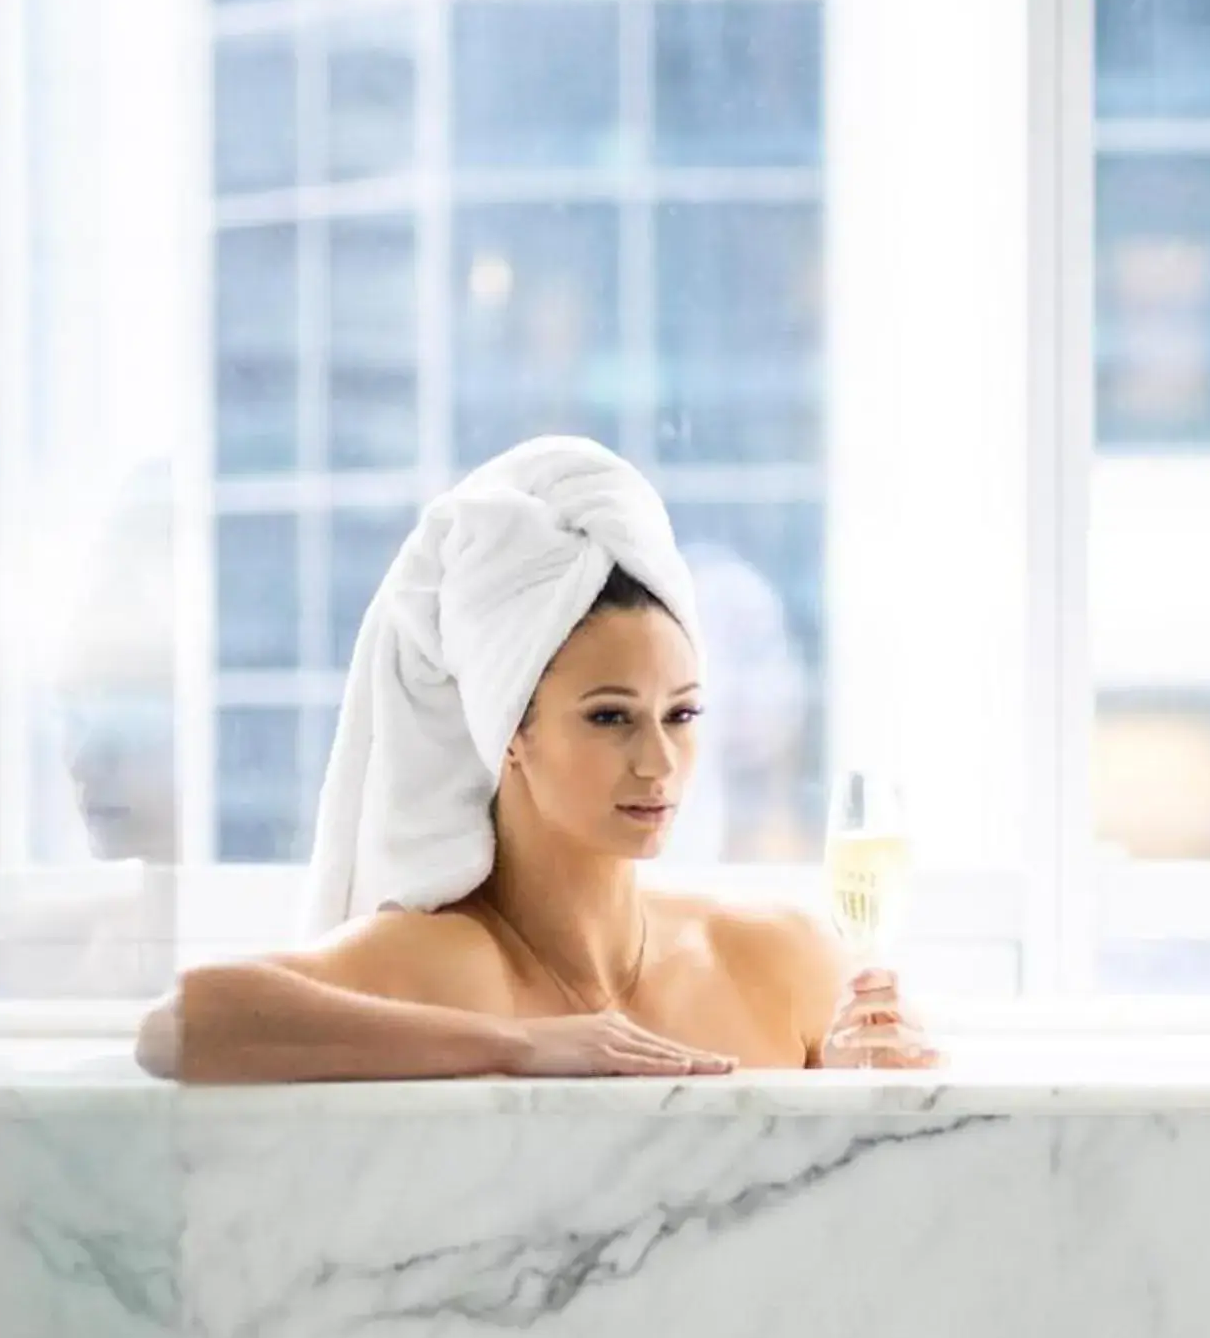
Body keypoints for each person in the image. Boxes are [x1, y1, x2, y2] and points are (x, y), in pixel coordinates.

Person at [135, 436, 938, 1081]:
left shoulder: (778, 960)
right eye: (609, 717)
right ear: (511, 731)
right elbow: (180, 1025)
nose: (658, 759)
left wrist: (866, 1077)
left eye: (682, 713)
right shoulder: (444, 965)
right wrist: (517, 1047)